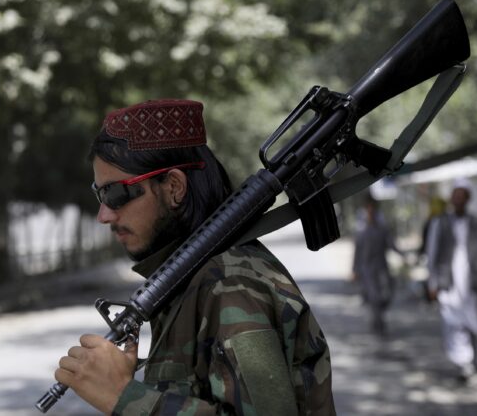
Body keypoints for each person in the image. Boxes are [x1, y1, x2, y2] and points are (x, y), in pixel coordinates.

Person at [53, 99, 335, 415]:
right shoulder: (190, 280)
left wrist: (125, 397)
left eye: (115, 194)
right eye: (99, 194)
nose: (104, 214)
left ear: (174, 187)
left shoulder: (230, 284)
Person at [425, 178, 477, 382]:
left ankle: (469, 360)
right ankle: (464, 363)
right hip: (447, 283)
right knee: (453, 324)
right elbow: (431, 254)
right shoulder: (439, 222)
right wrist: (432, 283)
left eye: (462, 196)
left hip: (472, 284)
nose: (458, 200)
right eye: (455, 196)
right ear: (451, 199)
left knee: (473, 324)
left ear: (467, 199)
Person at [351, 195, 403, 336]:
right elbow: (357, 251)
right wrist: (354, 270)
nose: (370, 211)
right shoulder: (361, 230)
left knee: (387, 294)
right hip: (366, 269)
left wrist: (403, 255)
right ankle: (378, 323)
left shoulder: (383, 228)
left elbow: (392, 245)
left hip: (382, 267)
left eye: (372, 209)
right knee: (374, 297)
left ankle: (379, 317)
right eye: (368, 209)